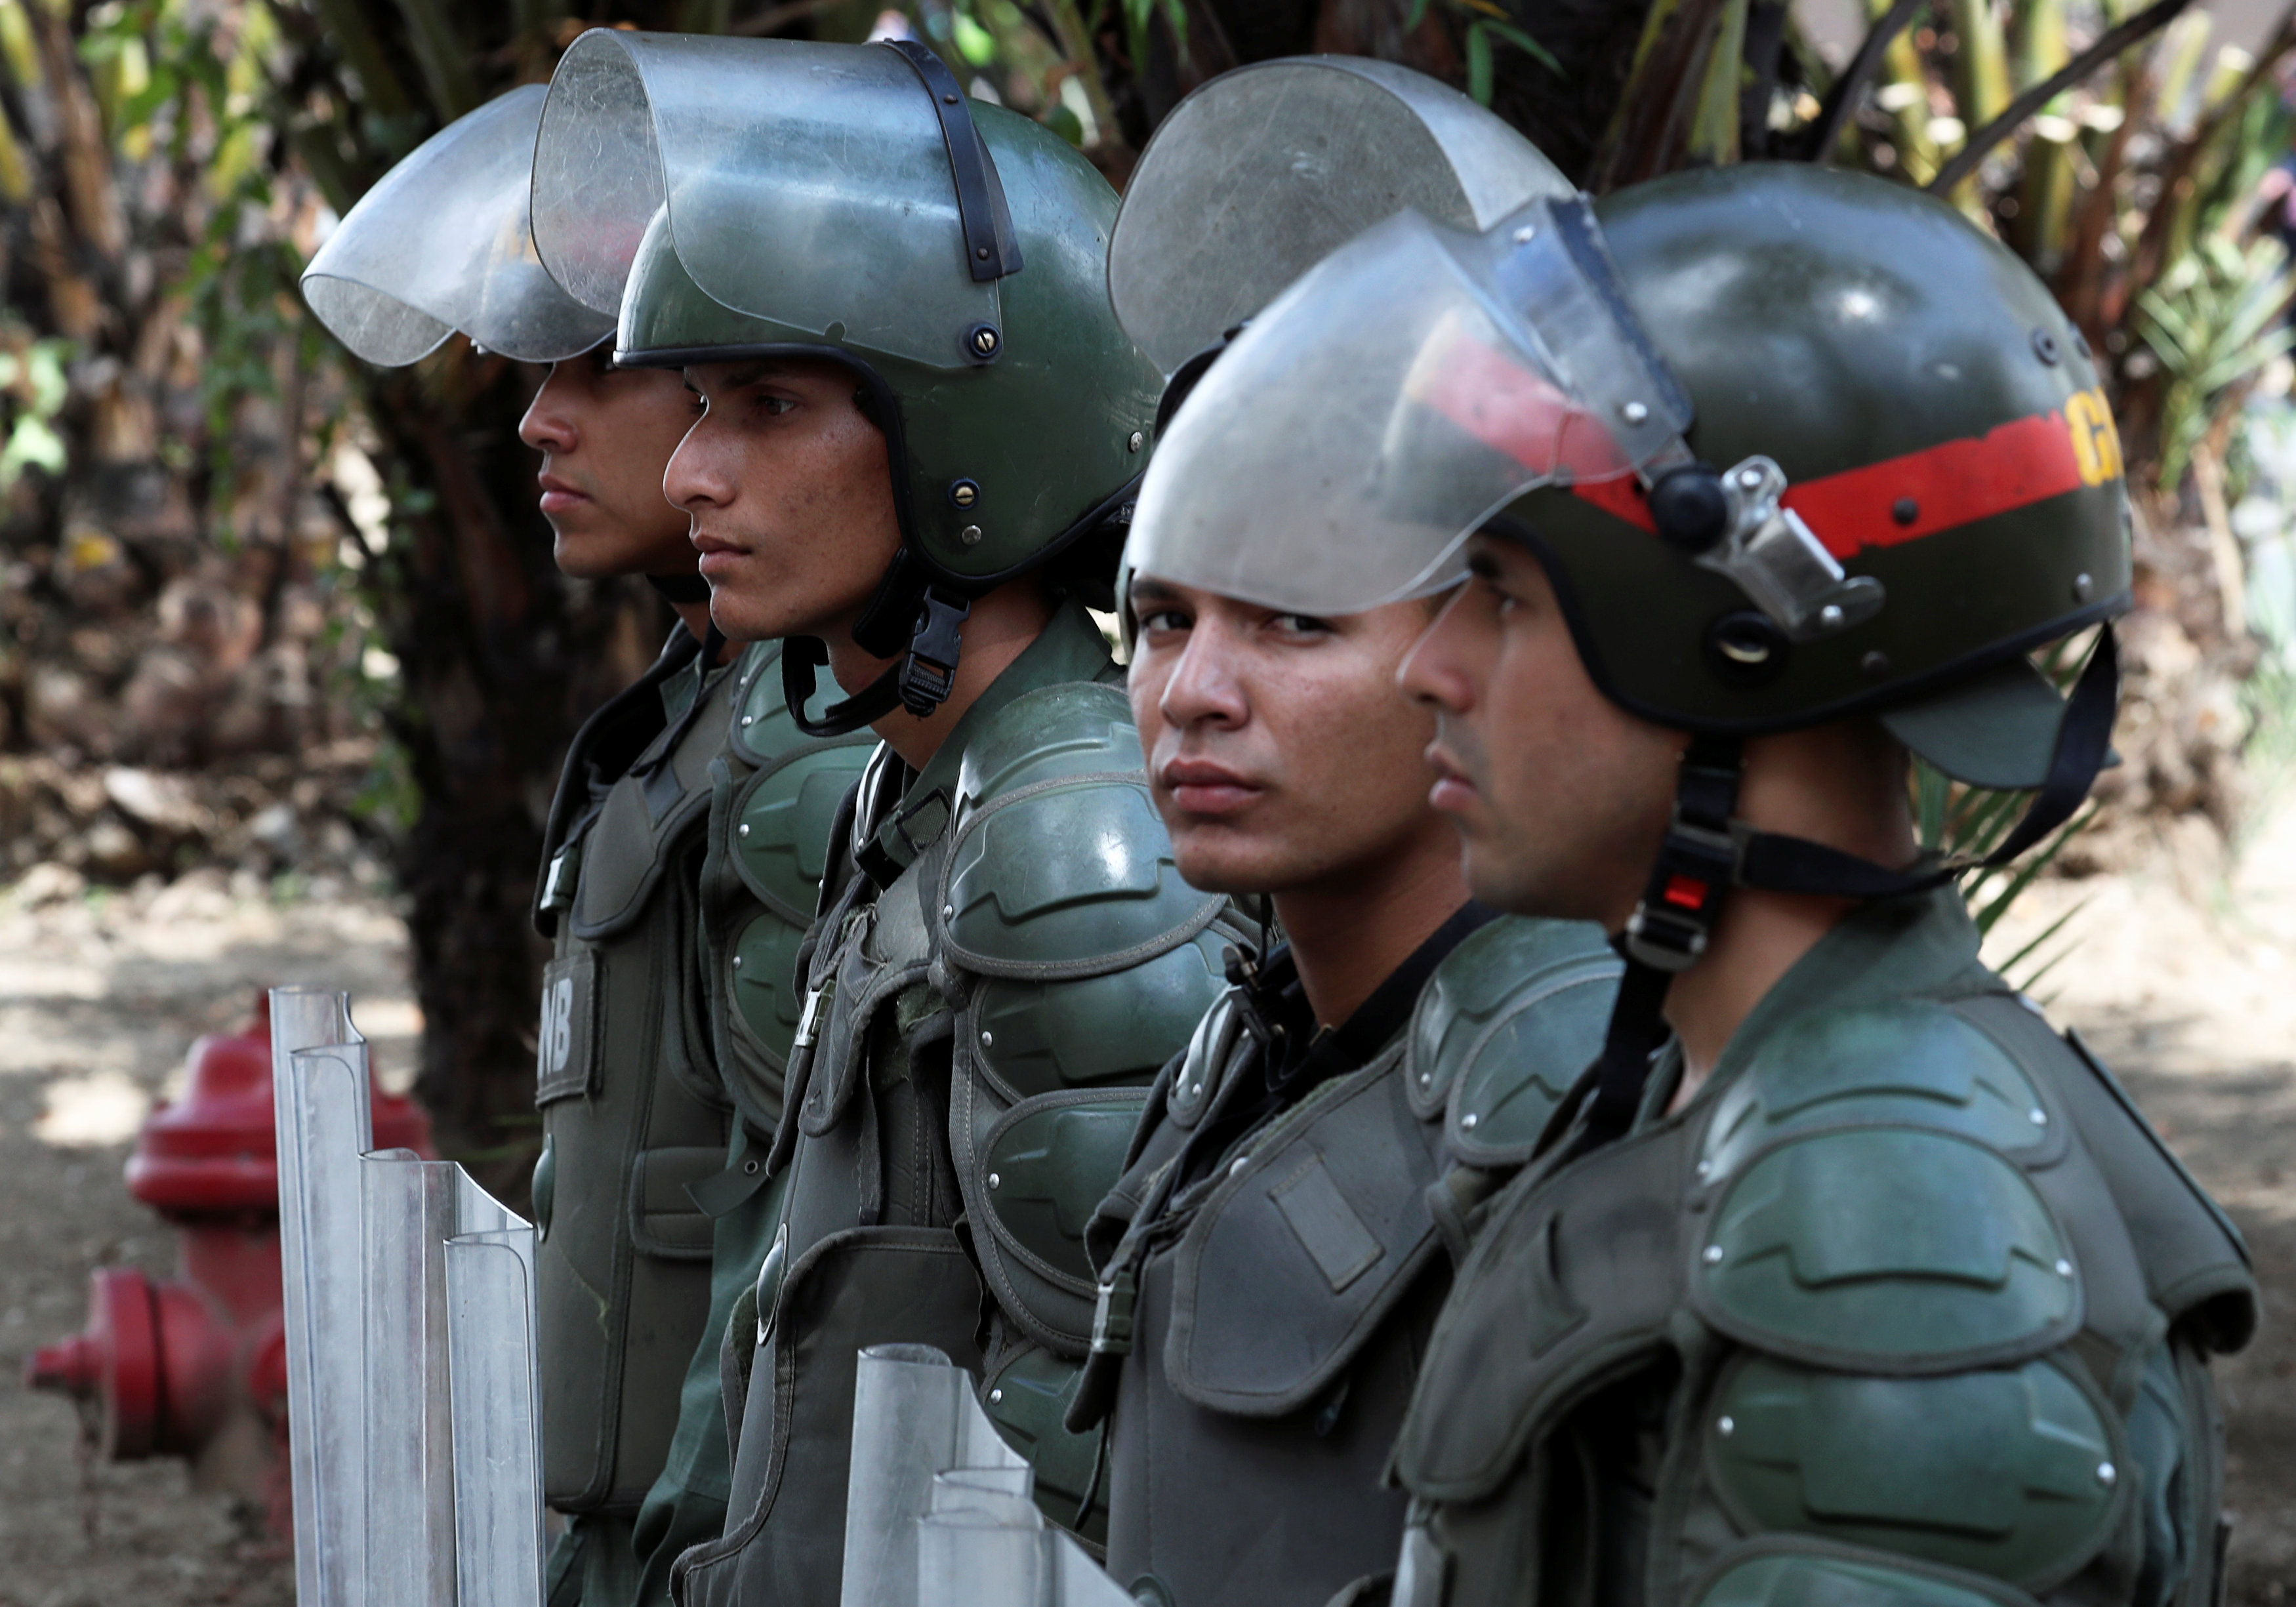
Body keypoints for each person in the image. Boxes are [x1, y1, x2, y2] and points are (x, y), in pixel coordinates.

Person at [1122, 161, 2257, 1607]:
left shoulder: (1883, 1209)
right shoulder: (1723, 1095)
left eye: (1505, 597)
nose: (1431, 665)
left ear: (1727, 642)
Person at [527, 33, 1255, 1606]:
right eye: (706, 403)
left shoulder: (1066, 849)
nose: (699, 466)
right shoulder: (905, 790)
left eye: (772, 406)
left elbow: (1099, 1489)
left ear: (971, 444)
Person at [1042, 58, 1614, 1607]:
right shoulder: (1255, 1034)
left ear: (1477, 646)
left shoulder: (1565, 1086)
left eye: (1296, 621)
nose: (1195, 695)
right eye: (1160, 620)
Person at [300, 86, 874, 1607]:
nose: (535, 415)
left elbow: (800, 1255)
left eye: (598, 364)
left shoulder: (809, 761)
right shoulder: (691, 719)